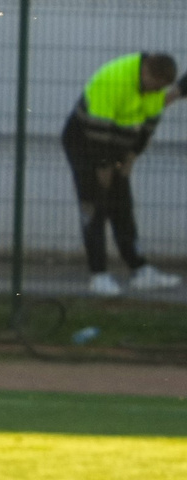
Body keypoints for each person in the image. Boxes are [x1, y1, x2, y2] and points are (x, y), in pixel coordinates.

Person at [64, 53, 185, 297]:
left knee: (121, 205)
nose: (158, 92)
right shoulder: (113, 80)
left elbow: (147, 126)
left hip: (116, 143)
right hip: (84, 141)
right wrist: (104, 169)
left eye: (162, 89)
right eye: (156, 86)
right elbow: (98, 133)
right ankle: (98, 275)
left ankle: (139, 269)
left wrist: (130, 157)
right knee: (94, 204)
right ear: (146, 72)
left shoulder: (154, 88)